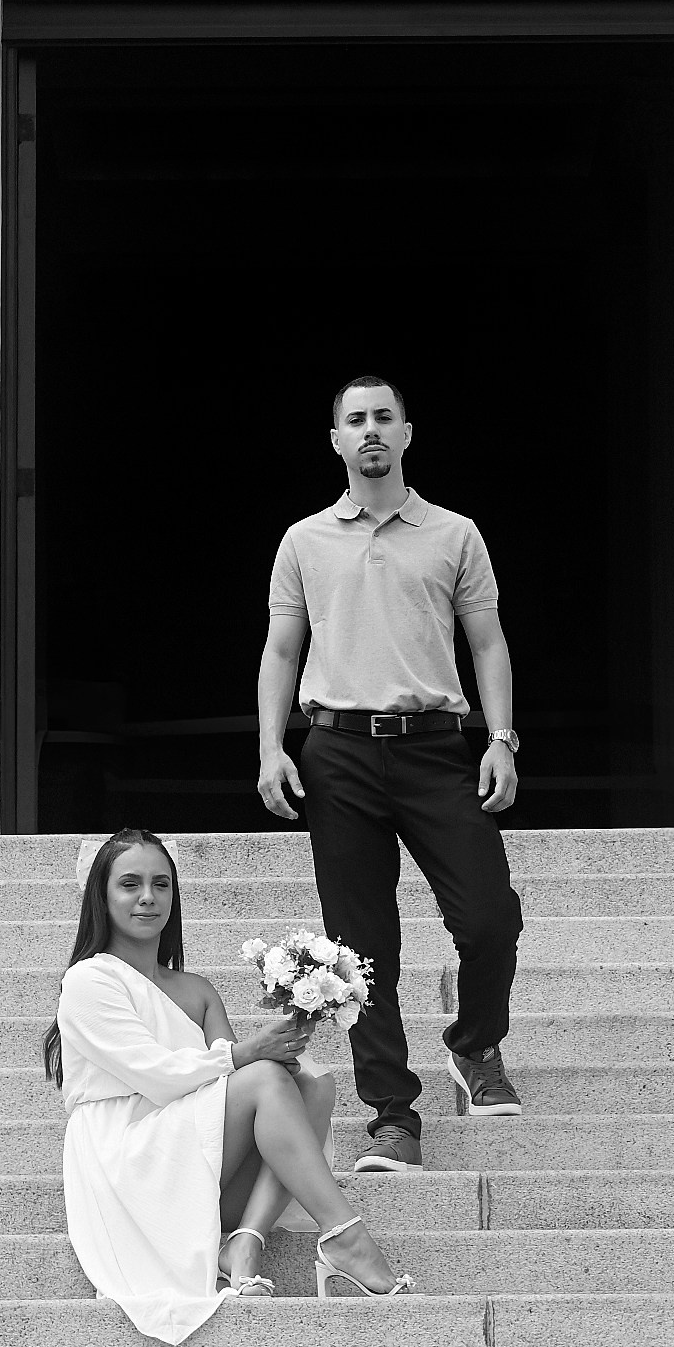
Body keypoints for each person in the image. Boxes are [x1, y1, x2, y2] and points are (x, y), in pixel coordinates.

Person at [258, 375, 525, 1172]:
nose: (370, 429)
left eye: (384, 417)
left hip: (435, 747)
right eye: (355, 420)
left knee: (490, 918)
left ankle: (475, 1045)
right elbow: (281, 649)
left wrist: (501, 739)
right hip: (337, 751)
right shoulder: (304, 541)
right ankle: (392, 1115)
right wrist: (271, 748)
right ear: (336, 440)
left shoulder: (455, 534)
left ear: (407, 433)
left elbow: (488, 642)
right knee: (361, 946)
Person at [43, 826, 410, 1341]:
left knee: (313, 1083)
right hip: (128, 1155)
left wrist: (299, 1024)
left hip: (193, 1152)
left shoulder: (197, 989)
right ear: (101, 897)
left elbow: (239, 1078)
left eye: (161, 884)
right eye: (130, 884)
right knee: (265, 1079)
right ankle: (346, 1236)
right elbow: (157, 1075)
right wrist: (250, 1053)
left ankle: (246, 1239)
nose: (148, 897)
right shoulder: (89, 980)